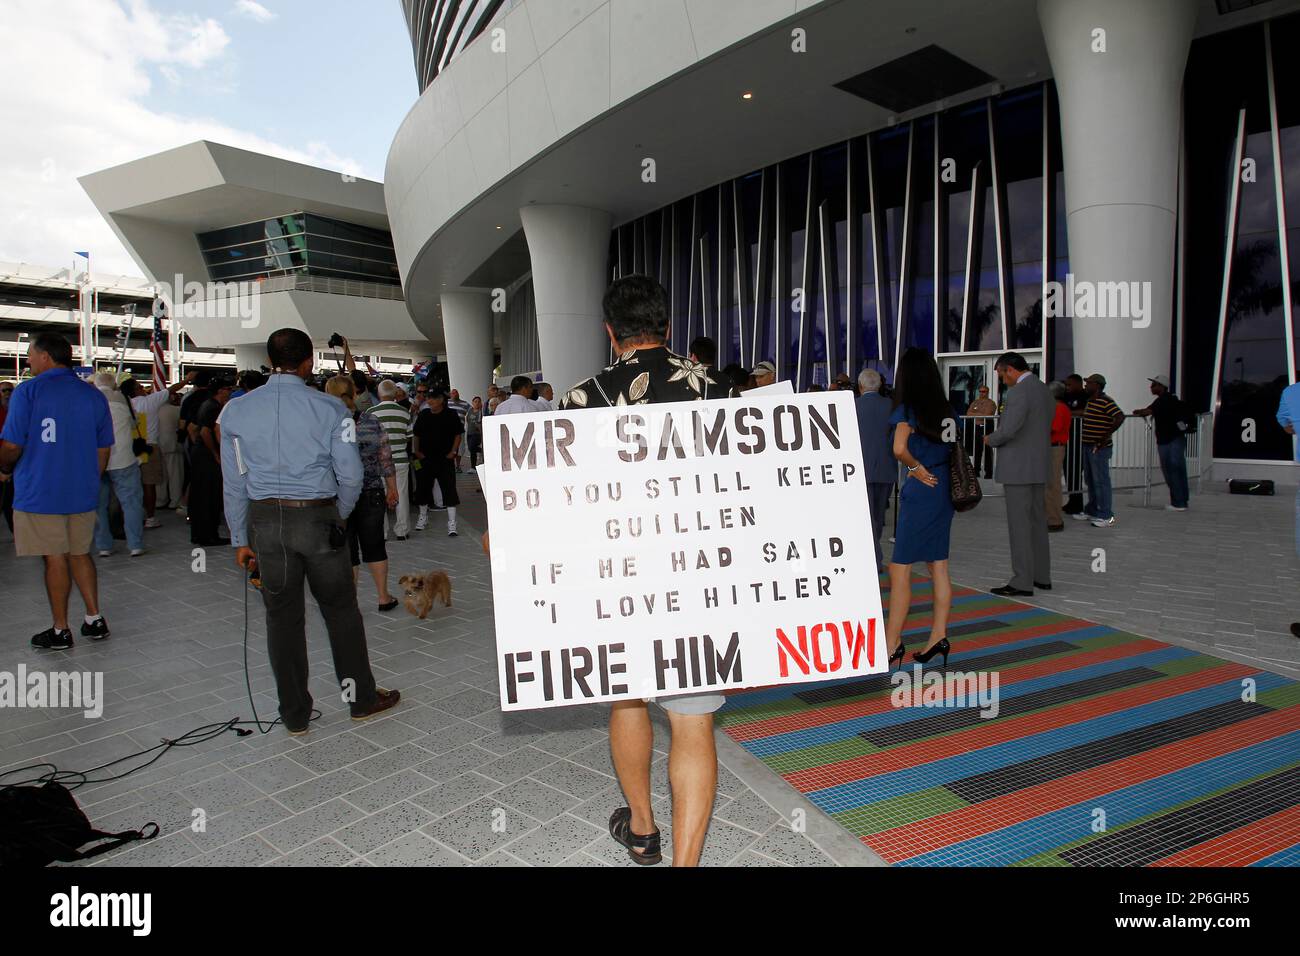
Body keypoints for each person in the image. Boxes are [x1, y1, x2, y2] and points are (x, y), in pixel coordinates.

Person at [557, 275, 729, 868]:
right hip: (700, 579)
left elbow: (564, 500)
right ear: (669, 327)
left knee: (627, 700)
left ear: (611, 333)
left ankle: (642, 828)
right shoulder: (718, 390)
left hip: (618, 577)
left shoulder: (583, 398)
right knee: (693, 720)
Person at [220, 328, 400, 734]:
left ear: (270, 361)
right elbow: (350, 474)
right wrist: (339, 513)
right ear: (308, 363)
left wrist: (239, 538)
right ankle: (361, 699)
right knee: (341, 613)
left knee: (281, 620)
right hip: (319, 517)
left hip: (266, 522)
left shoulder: (235, 412)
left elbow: (233, 481)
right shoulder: (331, 410)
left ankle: (295, 714)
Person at [0, 333, 113, 648]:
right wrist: (90, 478)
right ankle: (94, 618)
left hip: (41, 490)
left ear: (45, 357)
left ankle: (60, 630)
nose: (28, 361)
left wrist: (4, 469)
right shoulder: (93, 396)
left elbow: (11, 445)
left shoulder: (28, 392)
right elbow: (104, 448)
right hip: (82, 490)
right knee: (79, 552)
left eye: (30, 355)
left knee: (55, 558)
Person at [884, 347, 956, 672]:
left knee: (900, 569)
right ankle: (938, 637)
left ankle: (891, 642)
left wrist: (914, 468)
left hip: (921, 488)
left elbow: (899, 448)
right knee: (938, 565)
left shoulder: (908, 409)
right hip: (943, 490)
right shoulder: (946, 409)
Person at [324, 376, 400, 612]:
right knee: (375, 545)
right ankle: (383, 597)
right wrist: (392, 487)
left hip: (336, 494)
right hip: (371, 492)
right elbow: (385, 458)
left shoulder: (325, 424)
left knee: (346, 548)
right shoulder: (371, 421)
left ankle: (351, 601)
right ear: (354, 393)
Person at [985, 352, 1054, 595]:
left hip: (1018, 468)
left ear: (1010, 370)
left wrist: (990, 439)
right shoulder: (1044, 390)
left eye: (1002, 375)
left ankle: (1022, 581)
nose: (1003, 380)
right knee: (1037, 523)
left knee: (1020, 527)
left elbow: (1009, 429)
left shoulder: (1018, 392)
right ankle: (1041, 575)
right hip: (1038, 466)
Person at [121, 372, 195, 528]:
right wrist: (187, 380)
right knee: (150, 484)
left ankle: (132, 517)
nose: (143, 388)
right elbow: (172, 389)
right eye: (140, 386)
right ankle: (150, 517)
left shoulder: (124, 404)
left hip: (128, 447)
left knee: (131, 485)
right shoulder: (149, 402)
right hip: (149, 447)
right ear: (136, 390)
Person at [92, 373, 147, 558]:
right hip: (123, 459)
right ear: (114, 385)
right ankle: (135, 544)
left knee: (99, 505)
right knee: (131, 503)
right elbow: (134, 424)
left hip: (96, 461)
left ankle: (104, 546)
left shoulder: (88, 399)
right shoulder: (123, 399)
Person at [854, 368, 895, 571]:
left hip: (860, 470)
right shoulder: (891, 406)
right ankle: (875, 554)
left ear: (861, 386)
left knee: (865, 516)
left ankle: (872, 557)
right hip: (886, 469)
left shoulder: (853, 406)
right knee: (878, 516)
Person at [1133, 374, 1192, 512]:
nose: (1151, 387)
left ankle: (1178, 502)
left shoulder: (1161, 401)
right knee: (1178, 469)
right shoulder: (1171, 399)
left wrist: (1138, 411)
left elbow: (1146, 411)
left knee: (1171, 470)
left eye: (1154, 385)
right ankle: (1182, 500)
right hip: (1177, 438)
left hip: (1168, 440)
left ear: (1161, 386)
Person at [411, 388, 462, 536]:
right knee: (422, 488)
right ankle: (423, 517)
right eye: (428, 397)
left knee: (449, 489)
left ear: (441, 399)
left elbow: (458, 435)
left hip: (444, 459)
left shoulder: (451, 414)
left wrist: (453, 452)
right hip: (424, 459)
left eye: (433, 398)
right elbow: (416, 435)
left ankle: (452, 523)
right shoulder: (424, 414)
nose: (429, 400)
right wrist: (417, 452)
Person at [1076, 373, 1124, 528]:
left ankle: (1106, 515)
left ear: (1096, 385)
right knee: (1090, 479)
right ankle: (1093, 509)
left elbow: (1119, 416)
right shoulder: (1092, 401)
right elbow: (1085, 414)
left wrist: (1105, 436)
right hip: (1087, 445)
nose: (1085, 386)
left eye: (1088, 383)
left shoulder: (1106, 401)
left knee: (1101, 481)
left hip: (1099, 447)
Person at [189, 378, 233, 546]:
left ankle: (199, 533)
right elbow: (207, 432)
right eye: (228, 388)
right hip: (207, 457)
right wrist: (216, 453)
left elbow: (192, 429)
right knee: (209, 496)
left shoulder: (206, 404)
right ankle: (208, 535)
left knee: (200, 495)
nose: (230, 392)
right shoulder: (214, 407)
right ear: (220, 390)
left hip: (200, 454)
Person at [370, 380, 413, 540]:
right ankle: (402, 531)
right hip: (400, 460)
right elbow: (409, 437)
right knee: (401, 495)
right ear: (395, 394)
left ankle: (382, 532)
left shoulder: (371, 412)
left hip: (380, 462)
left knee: (380, 495)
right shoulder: (404, 412)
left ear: (379, 393)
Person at [1046, 381, 1071, 532]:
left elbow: (1053, 428)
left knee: (1052, 486)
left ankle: (1054, 520)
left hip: (1054, 448)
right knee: (1049, 485)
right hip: (1051, 448)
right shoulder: (1056, 407)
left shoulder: (1059, 408)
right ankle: (1050, 517)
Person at [155, 390, 185, 510]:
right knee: (175, 475)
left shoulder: (154, 409)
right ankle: (175, 500)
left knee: (160, 476)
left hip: (158, 444)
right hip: (172, 444)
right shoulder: (176, 410)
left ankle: (160, 500)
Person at [966, 384, 998, 479]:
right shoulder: (975, 402)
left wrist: (975, 414)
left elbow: (988, 414)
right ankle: (976, 471)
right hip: (977, 427)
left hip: (987, 427)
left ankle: (989, 472)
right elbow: (968, 413)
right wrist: (980, 414)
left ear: (987, 392)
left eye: (983, 391)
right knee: (977, 449)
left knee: (987, 450)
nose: (981, 393)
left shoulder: (991, 403)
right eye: (980, 391)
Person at [465, 396, 484, 470]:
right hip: (469, 432)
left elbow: (479, 422)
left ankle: (473, 467)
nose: (477, 403)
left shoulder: (480, 412)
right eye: (475, 401)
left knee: (472, 448)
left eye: (478, 402)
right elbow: (467, 419)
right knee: (471, 449)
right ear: (472, 403)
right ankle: (482, 450)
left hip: (477, 434)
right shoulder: (470, 410)